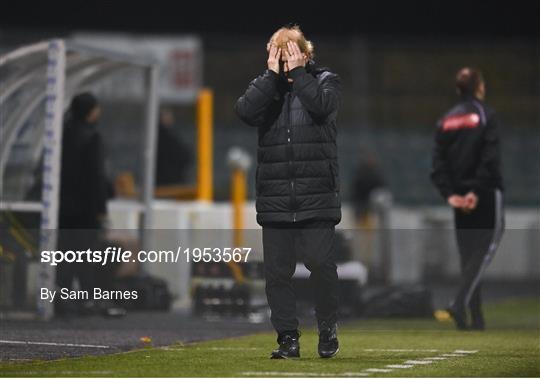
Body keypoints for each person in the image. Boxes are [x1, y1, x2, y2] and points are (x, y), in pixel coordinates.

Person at [235, 25, 342, 358]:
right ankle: (287, 339)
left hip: (316, 196)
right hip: (276, 197)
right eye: (277, 53)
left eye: (290, 52)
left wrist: (299, 73)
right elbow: (244, 111)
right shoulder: (266, 86)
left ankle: (327, 327)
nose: (283, 60)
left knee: (321, 265)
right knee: (277, 275)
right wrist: (271, 78)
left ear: (306, 54)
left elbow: (322, 107)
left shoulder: (325, 81)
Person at [431, 67, 505, 330]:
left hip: (460, 199)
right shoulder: (486, 116)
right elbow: (490, 157)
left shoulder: (446, 120)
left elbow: (438, 164)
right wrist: (476, 191)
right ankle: (460, 303)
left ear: (457, 90)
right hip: (483, 195)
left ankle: (475, 319)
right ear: (480, 87)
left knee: (468, 257)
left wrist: (451, 194)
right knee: (483, 252)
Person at [56, 92, 122, 317]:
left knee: (65, 257)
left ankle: (62, 302)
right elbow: (96, 177)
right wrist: (101, 210)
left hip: (64, 210)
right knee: (87, 257)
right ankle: (87, 301)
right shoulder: (91, 137)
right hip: (85, 211)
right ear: (91, 111)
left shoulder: (62, 134)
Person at [155, 108, 192, 186]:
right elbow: (185, 156)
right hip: (170, 182)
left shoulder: (156, 135)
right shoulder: (167, 136)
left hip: (160, 182)